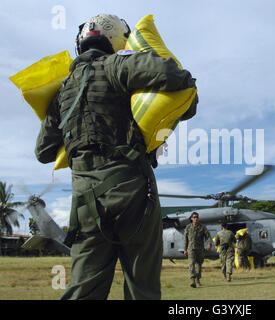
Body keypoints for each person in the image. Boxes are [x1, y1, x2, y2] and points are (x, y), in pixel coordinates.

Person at [35, 14, 198, 300]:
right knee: (141, 289)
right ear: (117, 40)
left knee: (83, 290)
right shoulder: (117, 65)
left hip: (84, 202)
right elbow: (176, 78)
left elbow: (44, 152)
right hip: (131, 192)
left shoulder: (62, 93)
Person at [183, 212, 211, 288]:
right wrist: (185, 249)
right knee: (191, 264)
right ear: (191, 218)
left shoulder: (202, 227)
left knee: (199, 265)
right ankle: (192, 280)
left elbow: (207, 236)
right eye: (194, 217)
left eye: (197, 217)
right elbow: (185, 239)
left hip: (200, 249)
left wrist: (209, 244)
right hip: (191, 249)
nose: (196, 218)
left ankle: (198, 279)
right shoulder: (188, 227)